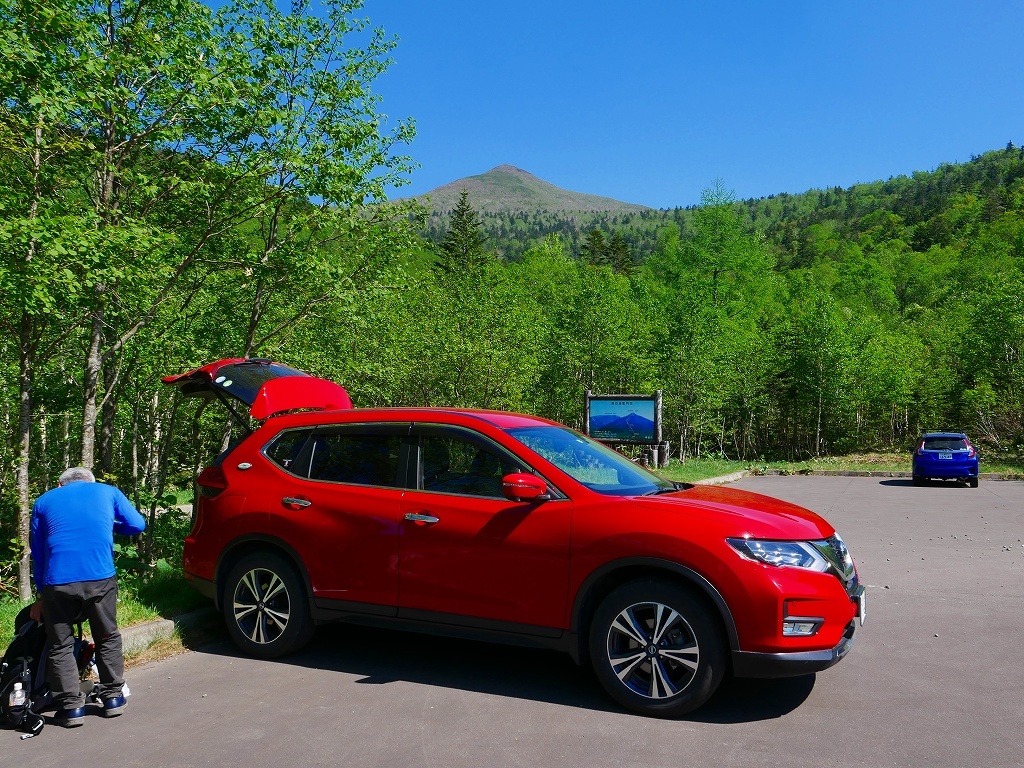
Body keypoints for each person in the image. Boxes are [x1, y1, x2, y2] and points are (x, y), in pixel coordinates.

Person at [29, 466, 146, 728]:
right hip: (99, 578)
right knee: (107, 636)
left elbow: (38, 552)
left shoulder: (43, 500)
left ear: (61, 485)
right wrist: (110, 525)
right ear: (91, 482)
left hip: (58, 582)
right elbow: (138, 524)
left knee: (60, 643)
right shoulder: (107, 491)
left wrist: (40, 593)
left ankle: (71, 708)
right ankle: (113, 698)